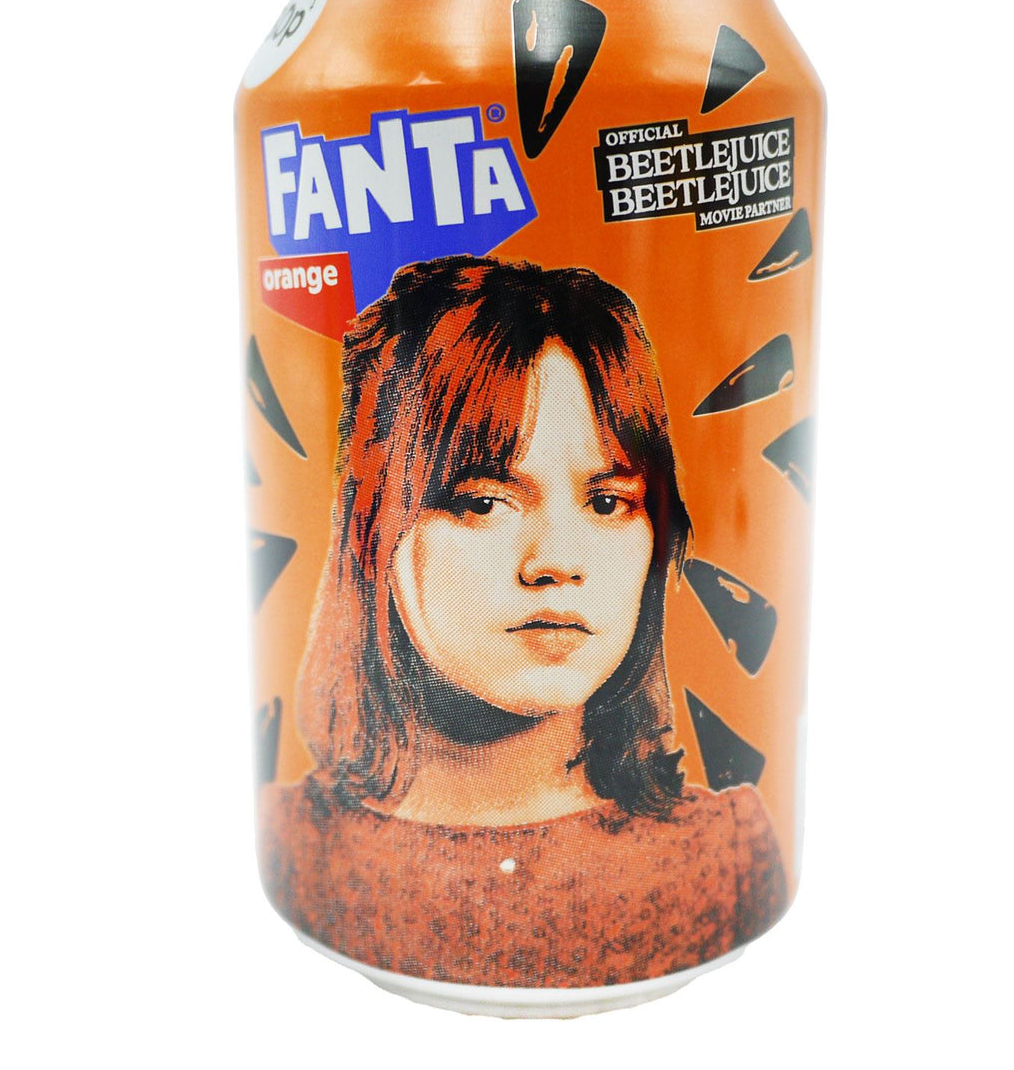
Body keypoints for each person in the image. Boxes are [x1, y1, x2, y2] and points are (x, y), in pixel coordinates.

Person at [259, 254, 787, 989]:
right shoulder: (295, 841)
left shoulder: (728, 853)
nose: (556, 561)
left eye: (607, 502)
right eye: (483, 502)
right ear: (373, 528)